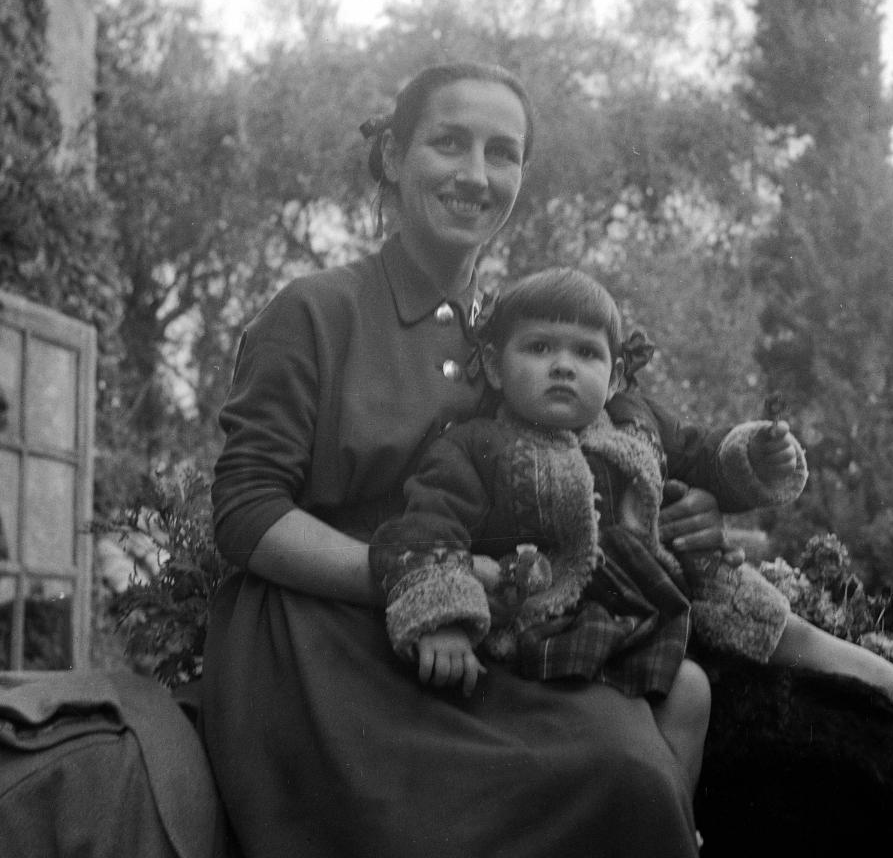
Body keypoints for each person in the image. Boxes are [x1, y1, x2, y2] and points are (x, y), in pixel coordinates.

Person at [203, 61, 733, 858]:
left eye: (503, 152)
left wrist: (680, 502)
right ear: (393, 157)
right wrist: (407, 581)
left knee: (635, 768)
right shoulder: (314, 310)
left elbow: (581, 456)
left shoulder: (512, 337)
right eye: (449, 143)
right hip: (325, 643)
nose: (476, 175)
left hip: (486, 634)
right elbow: (244, 512)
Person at [369, 267, 893, 765]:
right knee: (686, 692)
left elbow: (704, 458)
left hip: (672, 585)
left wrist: (755, 453)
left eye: (585, 352)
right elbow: (424, 529)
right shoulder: (477, 447)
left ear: (617, 373)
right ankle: (664, 821)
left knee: (785, 629)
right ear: (496, 369)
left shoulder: (635, 420)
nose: (563, 366)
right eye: (540, 347)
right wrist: (442, 618)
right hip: (562, 612)